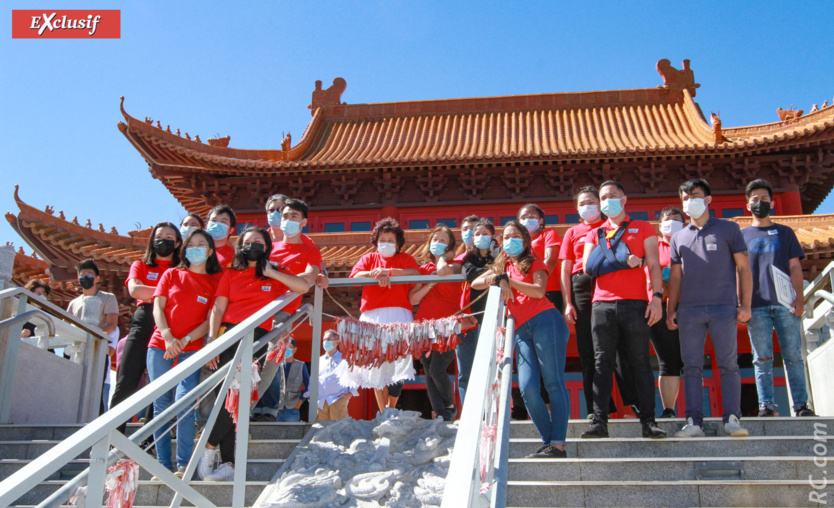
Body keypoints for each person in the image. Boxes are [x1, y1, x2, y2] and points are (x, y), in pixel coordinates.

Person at [199, 227, 310, 481]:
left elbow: (303, 286)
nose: (252, 245)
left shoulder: (275, 271)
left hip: (257, 336)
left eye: (258, 241)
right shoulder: (231, 273)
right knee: (225, 396)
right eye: (247, 241)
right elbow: (218, 308)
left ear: (267, 246)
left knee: (238, 394)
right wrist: (212, 339)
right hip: (228, 334)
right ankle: (228, 462)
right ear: (240, 247)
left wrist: (270, 272)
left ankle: (209, 447)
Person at [472, 220, 570, 458]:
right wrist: (499, 277)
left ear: (525, 241)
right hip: (521, 329)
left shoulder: (535, 262)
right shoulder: (502, 266)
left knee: (553, 383)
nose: (510, 240)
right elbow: (475, 283)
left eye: (515, 236)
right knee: (527, 388)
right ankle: (548, 441)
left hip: (546, 321)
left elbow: (538, 291)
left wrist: (508, 280)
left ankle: (557, 443)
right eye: (506, 237)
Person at [579, 180, 666, 439]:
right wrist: (623, 260)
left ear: (624, 199)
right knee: (601, 362)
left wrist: (657, 298)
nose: (608, 201)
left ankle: (648, 421)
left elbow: (654, 265)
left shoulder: (643, 227)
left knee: (640, 361)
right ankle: (599, 421)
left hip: (635, 302)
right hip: (602, 304)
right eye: (604, 197)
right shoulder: (595, 233)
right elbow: (588, 267)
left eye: (613, 195)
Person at [667, 178, 752, 438]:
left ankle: (732, 419)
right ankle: (694, 421)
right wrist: (671, 310)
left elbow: (744, 268)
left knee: (728, 364)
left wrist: (745, 304)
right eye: (685, 198)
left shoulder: (729, 229)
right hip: (689, 310)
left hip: (723, 307)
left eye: (695, 195)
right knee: (691, 367)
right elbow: (676, 277)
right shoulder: (678, 237)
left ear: (708, 199)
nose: (689, 201)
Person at [146, 228, 222, 477]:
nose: (195, 249)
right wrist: (168, 336)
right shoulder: (171, 274)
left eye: (201, 244)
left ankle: (183, 464)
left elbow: (210, 319)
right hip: (160, 345)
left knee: (185, 402)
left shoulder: (214, 281)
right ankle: (163, 465)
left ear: (209, 251)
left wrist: (185, 339)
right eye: (191, 244)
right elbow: (158, 307)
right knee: (161, 404)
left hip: (191, 349)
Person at [559, 186, 637, 418]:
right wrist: (567, 302)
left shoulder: (611, 227)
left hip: (609, 283)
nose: (587, 207)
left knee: (620, 346)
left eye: (592, 202)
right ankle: (597, 408)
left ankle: (634, 404)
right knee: (588, 350)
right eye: (582, 204)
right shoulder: (572, 232)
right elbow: (565, 270)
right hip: (581, 286)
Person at [742, 179, 815, 417]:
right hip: (756, 305)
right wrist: (742, 304)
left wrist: (799, 299)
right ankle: (766, 405)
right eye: (755, 199)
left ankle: (801, 405)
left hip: (786, 304)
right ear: (747, 205)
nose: (759, 203)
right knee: (761, 359)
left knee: (793, 357)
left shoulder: (785, 232)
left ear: (772, 203)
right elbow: (738, 272)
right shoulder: (741, 236)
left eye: (764, 199)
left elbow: (795, 267)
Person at [253, 198, 324, 420]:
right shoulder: (267, 247)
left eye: (294, 216)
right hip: (254, 311)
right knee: (246, 362)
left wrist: (273, 273)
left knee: (270, 365)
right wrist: (290, 278)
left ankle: (243, 409)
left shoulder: (310, 251)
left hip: (282, 314)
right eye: (285, 216)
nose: (288, 220)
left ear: (304, 222)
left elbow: (307, 280)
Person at [110, 222, 181, 433]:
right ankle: (112, 436)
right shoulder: (140, 265)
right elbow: (135, 290)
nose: (164, 240)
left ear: (178, 243)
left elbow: (183, 295)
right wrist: (169, 293)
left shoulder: (181, 268)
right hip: (143, 321)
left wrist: (154, 293)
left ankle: (151, 439)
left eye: (169, 237)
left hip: (170, 323)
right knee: (126, 380)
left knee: (160, 383)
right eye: (159, 236)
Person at [349, 218, 421, 411]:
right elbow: (355, 277)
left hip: (399, 313)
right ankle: (383, 411)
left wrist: (389, 271)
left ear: (397, 244)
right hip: (372, 316)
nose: (386, 243)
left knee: (399, 362)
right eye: (382, 240)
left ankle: (391, 406)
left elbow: (415, 273)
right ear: (376, 241)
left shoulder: (405, 259)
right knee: (376, 364)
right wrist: (374, 273)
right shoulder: (368, 259)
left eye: (390, 240)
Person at [409, 224, 463, 421]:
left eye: (443, 240)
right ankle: (440, 413)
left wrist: (444, 257)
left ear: (450, 246)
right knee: (428, 369)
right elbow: (413, 299)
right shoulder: (423, 270)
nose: (437, 243)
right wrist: (430, 285)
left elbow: (442, 271)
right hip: (425, 325)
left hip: (447, 324)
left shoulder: (456, 265)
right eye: (435, 239)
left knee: (437, 368)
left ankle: (449, 405)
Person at [66, 258, 120, 415]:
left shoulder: (108, 298)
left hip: (97, 349)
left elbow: (112, 324)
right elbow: (66, 325)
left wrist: (92, 337)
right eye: (82, 274)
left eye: (89, 274)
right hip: (77, 350)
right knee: (73, 389)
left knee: (96, 392)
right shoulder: (73, 303)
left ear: (97, 278)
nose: (85, 277)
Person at [650, 206, 686, 418]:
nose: (671, 222)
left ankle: (694, 409)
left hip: (690, 305)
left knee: (691, 360)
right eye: (667, 218)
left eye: (676, 218)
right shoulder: (653, 245)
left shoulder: (691, 244)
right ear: (659, 225)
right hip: (661, 306)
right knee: (668, 359)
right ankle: (669, 409)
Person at [459, 218, 500, 404]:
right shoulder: (468, 258)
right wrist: (492, 271)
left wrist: (494, 245)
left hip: (494, 314)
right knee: (467, 369)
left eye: (485, 234)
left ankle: (494, 406)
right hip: (472, 317)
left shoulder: (498, 252)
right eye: (477, 234)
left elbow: (502, 262)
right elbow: (470, 275)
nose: (480, 237)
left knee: (493, 364)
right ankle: (468, 407)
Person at [518, 204, 563, 311]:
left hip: (549, 290)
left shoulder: (549, 233)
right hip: (524, 292)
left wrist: (538, 284)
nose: (527, 220)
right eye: (523, 217)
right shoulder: (517, 241)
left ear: (541, 220)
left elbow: (550, 259)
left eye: (532, 217)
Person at [264, 337, 310, 422]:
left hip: (292, 407)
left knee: (292, 429)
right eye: (284, 347)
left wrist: (300, 402)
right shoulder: (276, 365)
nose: (286, 349)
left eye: (289, 347)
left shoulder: (301, 366)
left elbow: (309, 386)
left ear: (295, 350)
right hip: (276, 408)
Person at [317, 330, 358, 421]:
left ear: (337, 342)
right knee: (322, 429)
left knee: (340, 428)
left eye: (328, 339)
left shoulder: (345, 359)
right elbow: (313, 379)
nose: (325, 342)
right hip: (321, 403)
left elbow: (355, 377)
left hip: (338, 400)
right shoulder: (319, 360)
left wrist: (350, 394)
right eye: (324, 340)